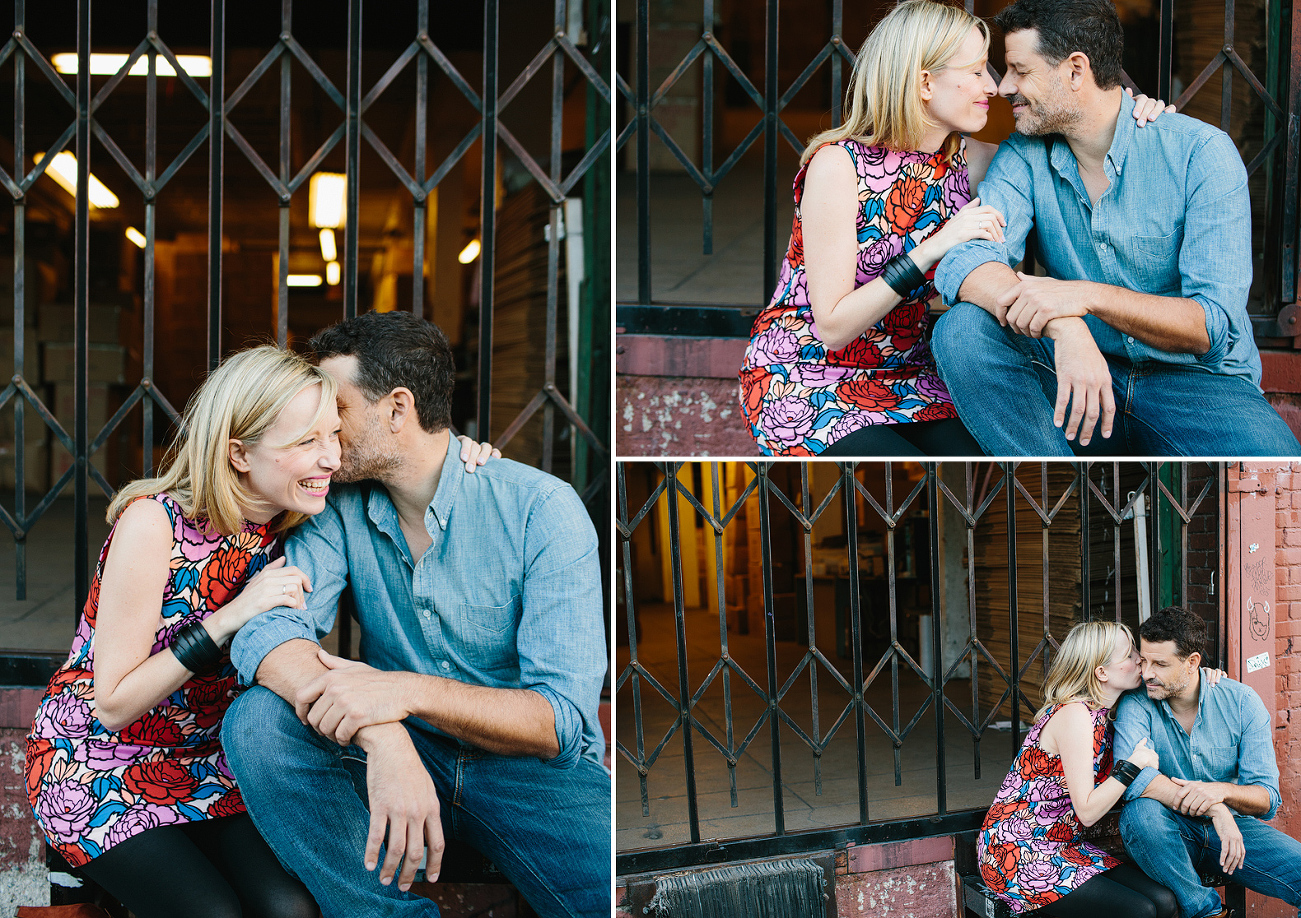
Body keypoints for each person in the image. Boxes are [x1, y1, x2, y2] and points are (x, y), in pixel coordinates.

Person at [23, 346, 495, 918]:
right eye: (306, 443)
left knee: (290, 910)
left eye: (333, 434)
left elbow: (410, 463)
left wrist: (461, 457)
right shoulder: (154, 524)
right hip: (99, 764)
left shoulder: (294, 518)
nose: (331, 458)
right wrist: (227, 618)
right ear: (239, 454)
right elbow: (114, 704)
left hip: (211, 762)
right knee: (213, 913)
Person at [221, 311, 609, 918]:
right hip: (399, 756)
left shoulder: (540, 510)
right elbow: (268, 626)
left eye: (337, 414)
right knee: (260, 722)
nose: (324, 434)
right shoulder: (337, 507)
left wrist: (402, 693)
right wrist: (386, 734)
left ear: (397, 409)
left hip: (531, 775)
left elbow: (558, 720)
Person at [737, 0, 1170, 457]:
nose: (995, 87)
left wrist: (1133, 114)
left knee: (977, 473)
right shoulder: (838, 166)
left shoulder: (977, 161)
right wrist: (932, 247)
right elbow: (834, 325)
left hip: (912, 374)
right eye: (978, 70)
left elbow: (1078, 121)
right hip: (805, 376)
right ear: (925, 82)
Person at [930, 0, 1301, 456]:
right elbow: (968, 260)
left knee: (1277, 467)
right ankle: (1055, 489)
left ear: (1075, 70)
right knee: (964, 330)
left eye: (1019, 70)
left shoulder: (1199, 153)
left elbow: (1211, 325)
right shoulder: (1023, 156)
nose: (1004, 86)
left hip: (1195, 385)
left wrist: (1087, 296)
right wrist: (1067, 327)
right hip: (1078, 373)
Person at [978, 620, 1177, 917]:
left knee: (1164, 902)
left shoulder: (1105, 713)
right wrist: (1132, 765)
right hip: (1017, 852)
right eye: (1130, 654)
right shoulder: (1075, 715)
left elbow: (1178, 686)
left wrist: (1208, 677)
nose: (1140, 659)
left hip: (1065, 847)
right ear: (1101, 672)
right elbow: (1086, 811)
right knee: (1139, 911)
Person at [1114, 607, 1301, 918]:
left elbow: (1267, 797)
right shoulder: (1137, 703)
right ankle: (1209, 913)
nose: (1146, 673)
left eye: (1160, 664)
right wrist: (1214, 808)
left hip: (1235, 832)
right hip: (1169, 830)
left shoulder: (1241, 702)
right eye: (1144, 660)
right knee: (1141, 813)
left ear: (1193, 662)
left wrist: (1221, 794)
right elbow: (1133, 778)